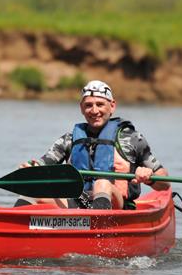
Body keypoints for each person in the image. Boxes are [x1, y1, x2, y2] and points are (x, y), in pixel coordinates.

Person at [18, 80, 170, 210]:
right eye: (88, 105)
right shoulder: (68, 139)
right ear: (81, 108)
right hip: (79, 202)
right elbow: (43, 164)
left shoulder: (133, 139)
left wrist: (149, 177)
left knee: (102, 183)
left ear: (112, 106)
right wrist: (32, 167)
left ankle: (99, 234)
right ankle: (12, 230)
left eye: (100, 104)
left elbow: (165, 182)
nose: (94, 110)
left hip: (117, 207)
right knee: (32, 193)